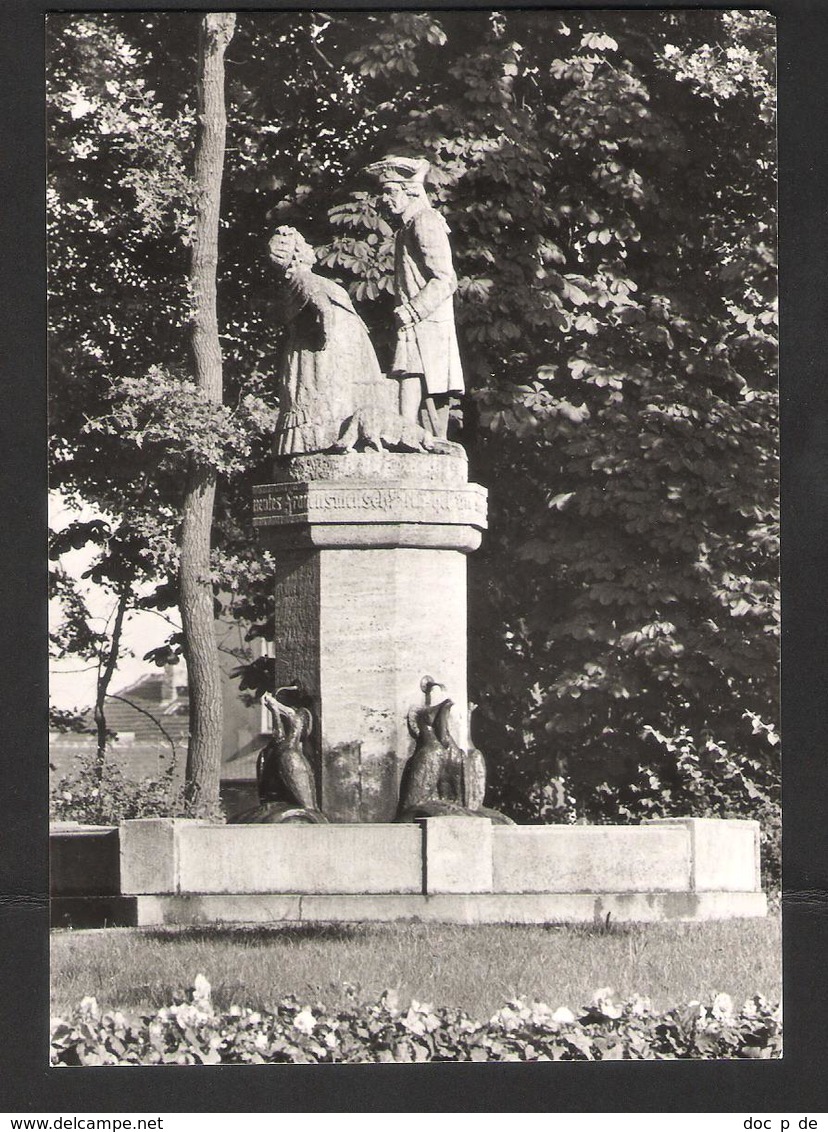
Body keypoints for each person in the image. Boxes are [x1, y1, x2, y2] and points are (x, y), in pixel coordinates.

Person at [268, 226, 396, 455]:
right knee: (333, 404)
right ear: (299, 252)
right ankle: (334, 438)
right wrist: (326, 333)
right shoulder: (306, 279)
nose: (309, 248)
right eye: (304, 245)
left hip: (323, 350)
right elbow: (323, 309)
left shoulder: (293, 283)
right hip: (329, 353)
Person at [364, 156, 464, 439]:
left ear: (410, 190)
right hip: (416, 323)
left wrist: (412, 311)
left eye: (389, 191)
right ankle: (409, 440)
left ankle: (414, 440)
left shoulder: (424, 222)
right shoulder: (407, 227)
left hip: (426, 323)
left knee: (419, 383)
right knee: (409, 378)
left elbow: (446, 278)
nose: (384, 199)